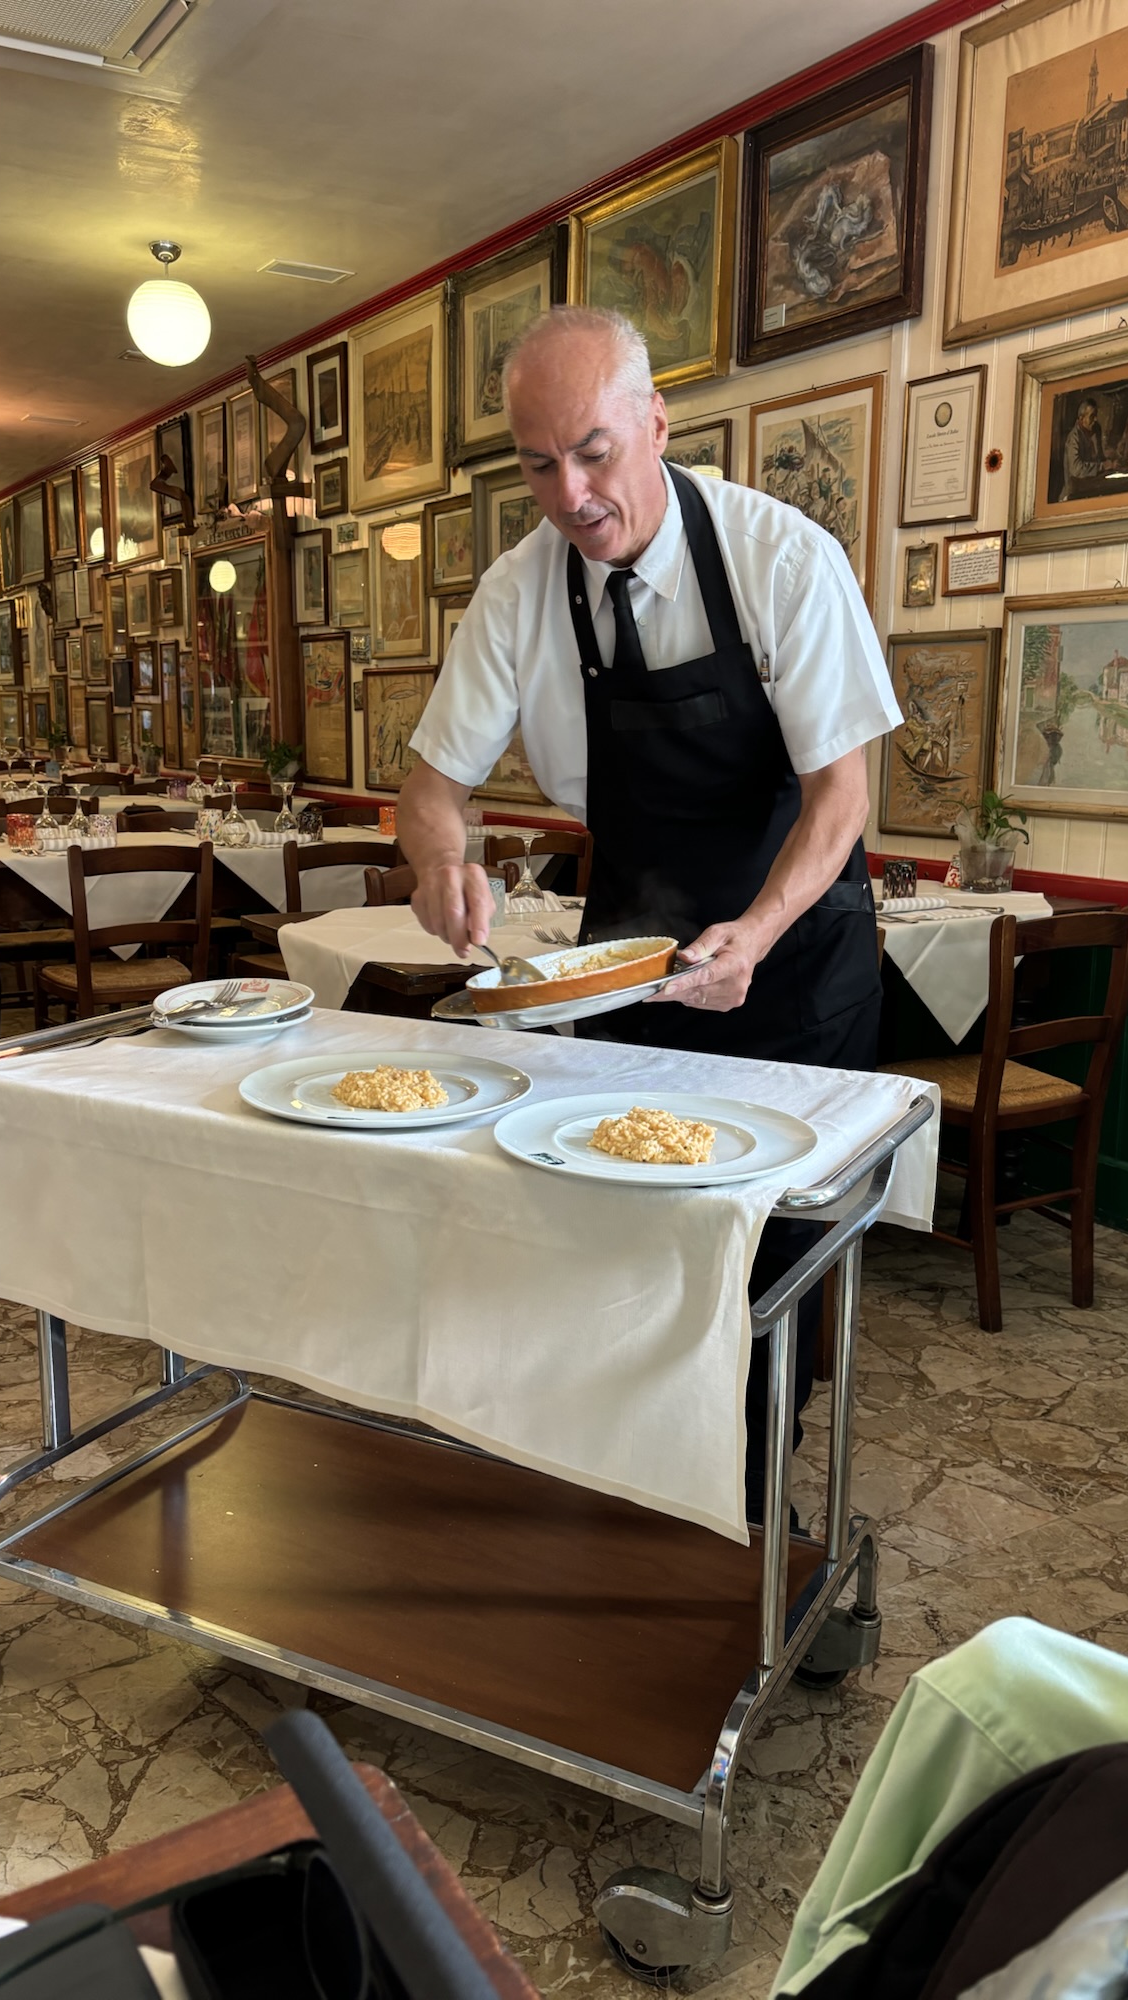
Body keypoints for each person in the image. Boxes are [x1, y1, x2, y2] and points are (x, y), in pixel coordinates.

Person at [397, 305, 900, 1520]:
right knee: (623, 1238)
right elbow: (430, 785)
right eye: (537, 465)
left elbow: (843, 796)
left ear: (657, 425)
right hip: (629, 969)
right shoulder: (521, 591)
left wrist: (756, 933)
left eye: (593, 452)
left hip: (794, 963)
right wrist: (439, 860)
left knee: (768, 1256)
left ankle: (753, 1518)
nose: (569, 495)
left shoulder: (782, 558)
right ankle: (638, 1496)